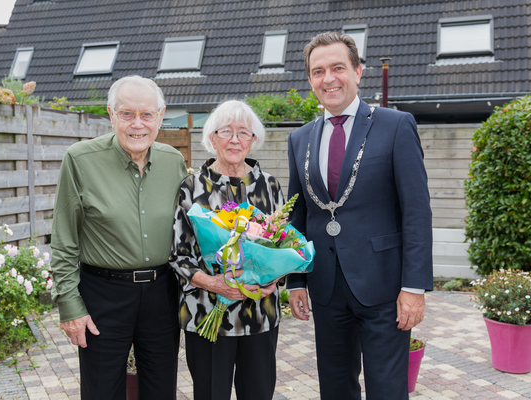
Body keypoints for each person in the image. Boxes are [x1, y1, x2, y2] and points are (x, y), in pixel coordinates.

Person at [286, 32, 433, 399]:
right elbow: (298, 212)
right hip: (325, 287)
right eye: (318, 71)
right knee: (335, 388)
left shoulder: (395, 125)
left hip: (384, 288)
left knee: (386, 389)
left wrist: (413, 288)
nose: (329, 78)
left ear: (358, 71)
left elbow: (416, 211)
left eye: (338, 67)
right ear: (310, 81)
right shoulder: (300, 139)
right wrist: (296, 280)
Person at [50, 75, 187, 400]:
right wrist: (70, 305)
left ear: (160, 115)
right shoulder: (80, 160)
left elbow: (188, 230)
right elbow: (64, 239)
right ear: (111, 115)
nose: (137, 124)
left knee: (161, 388)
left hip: (162, 293)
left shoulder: (174, 162)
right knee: (101, 391)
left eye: (146, 114)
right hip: (102, 296)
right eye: (126, 114)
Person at [170, 99, 283, 400]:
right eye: (226, 132)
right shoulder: (191, 187)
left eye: (244, 133)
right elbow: (179, 255)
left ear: (254, 140)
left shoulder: (270, 185)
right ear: (211, 138)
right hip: (207, 315)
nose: (235, 140)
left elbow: (283, 245)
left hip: (259, 314)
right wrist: (213, 283)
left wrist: (274, 280)